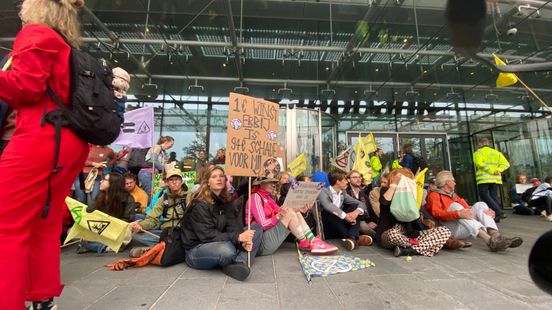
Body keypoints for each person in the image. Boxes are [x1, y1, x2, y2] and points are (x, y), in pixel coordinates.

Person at [0, 1, 89, 308]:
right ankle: (42, 298)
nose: (20, 7)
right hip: (70, 142)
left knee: (6, 227)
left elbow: (24, 88)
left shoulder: (36, 34)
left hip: (39, 138)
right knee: (45, 224)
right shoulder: (65, 45)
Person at [181, 166, 262, 281]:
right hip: (197, 248)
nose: (219, 179)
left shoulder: (226, 202)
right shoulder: (199, 204)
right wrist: (238, 238)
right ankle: (238, 258)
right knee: (227, 250)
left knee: (256, 229)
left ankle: (239, 263)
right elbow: (206, 234)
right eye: (214, 177)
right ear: (207, 182)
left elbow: (233, 226)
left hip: (220, 239)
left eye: (221, 176)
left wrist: (242, 241)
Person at [425, 170, 523, 252]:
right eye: (453, 180)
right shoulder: (434, 195)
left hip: (465, 227)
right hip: (449, 230)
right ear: (447, 182)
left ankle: (496, 236)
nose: (455, 183)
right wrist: (457, 213)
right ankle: (489, 241)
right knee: (455, 206)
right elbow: (436, 213)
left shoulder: (454, 196)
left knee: (480, 204)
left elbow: (469, 210)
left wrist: (485, 213)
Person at [246, 177, 338, 255]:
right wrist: (279, 216)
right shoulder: (255, 197)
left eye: (274, 182)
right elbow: (262, 225)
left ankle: (312, 240)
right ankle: (308, 241)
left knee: (291, 209)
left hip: (268, 238)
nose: (273, 185)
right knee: (289, 210)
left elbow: (284, 211)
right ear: (261, 184)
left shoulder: (268, 198)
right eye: (270, 182)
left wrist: (299, 210)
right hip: (260, 243)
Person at [377, 168, 451, 257]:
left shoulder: (410, 194)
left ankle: (409, 250)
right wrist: (394, 184)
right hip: (389, 234)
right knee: (393, 234)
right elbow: (384, 202)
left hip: (410, 235)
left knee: (445, 231)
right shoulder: (386, 190)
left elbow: (415, 216)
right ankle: (425, 246)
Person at [77, 172, 136, 254]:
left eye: (104, 180)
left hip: (116, 228)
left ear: (113, 184)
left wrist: (110, 222)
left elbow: (128, 219)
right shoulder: (100, 196)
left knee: (127, 232)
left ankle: (94, 246)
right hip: (101, 227)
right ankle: (103, 247)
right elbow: (91, 213)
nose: (101, 181)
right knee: (73, 231)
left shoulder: (127, 198)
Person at [129, 169, 187, 250]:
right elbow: (152, 218)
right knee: (136, 235)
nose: (174, 182)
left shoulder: (190, 196)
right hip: (166, 233)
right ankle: (167, 247)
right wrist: (140, 225)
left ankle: (158, 249)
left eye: (177, 179)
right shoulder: (163, 198)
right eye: (171, 180)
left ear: (182, 182)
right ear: (167, 183)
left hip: (183, 233)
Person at [318, 170, 372, 250]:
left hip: (339, 224)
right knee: (330, 212)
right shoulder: (323, 191)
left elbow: (361, 204)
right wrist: (346, 216)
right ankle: (355, 238)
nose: (347, 182)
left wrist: (355, 213)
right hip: (328, 225)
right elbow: (328, 206)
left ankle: (352, 237)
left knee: (355, 206)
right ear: (338, 182)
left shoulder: (342, 192)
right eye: (345, 180)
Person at [473, 137, 510, 221]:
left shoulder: (478, 152)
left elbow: (479, 164)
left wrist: (492, 171)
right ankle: (496, 217)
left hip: (484, 178)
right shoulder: (497, 153)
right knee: (494, 196)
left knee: (484, 195)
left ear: (480, 144)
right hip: (495, 179)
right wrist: (498, 170)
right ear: (488, 143)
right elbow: (506, 164)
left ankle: (498, 212)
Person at [138, 136, 174, 200]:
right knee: (150, 193)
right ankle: (149, 209)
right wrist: (164, 168)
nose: (171, 146)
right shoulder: (157, 147)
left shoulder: (164, 153)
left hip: (154, 174)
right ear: (166, 142)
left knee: (154, 193)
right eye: (171, 144)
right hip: (147, 173)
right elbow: (153, 160)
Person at [346, 170, 375, 241]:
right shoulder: (345, 192)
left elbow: (370, 209)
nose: (358, 179)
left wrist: (372, 221)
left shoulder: (363, 194)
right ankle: (378, 238)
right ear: (349, 180)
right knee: (363, 226)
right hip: (351, 221)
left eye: (359, 177)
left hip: (366, 220)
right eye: (355, 177)